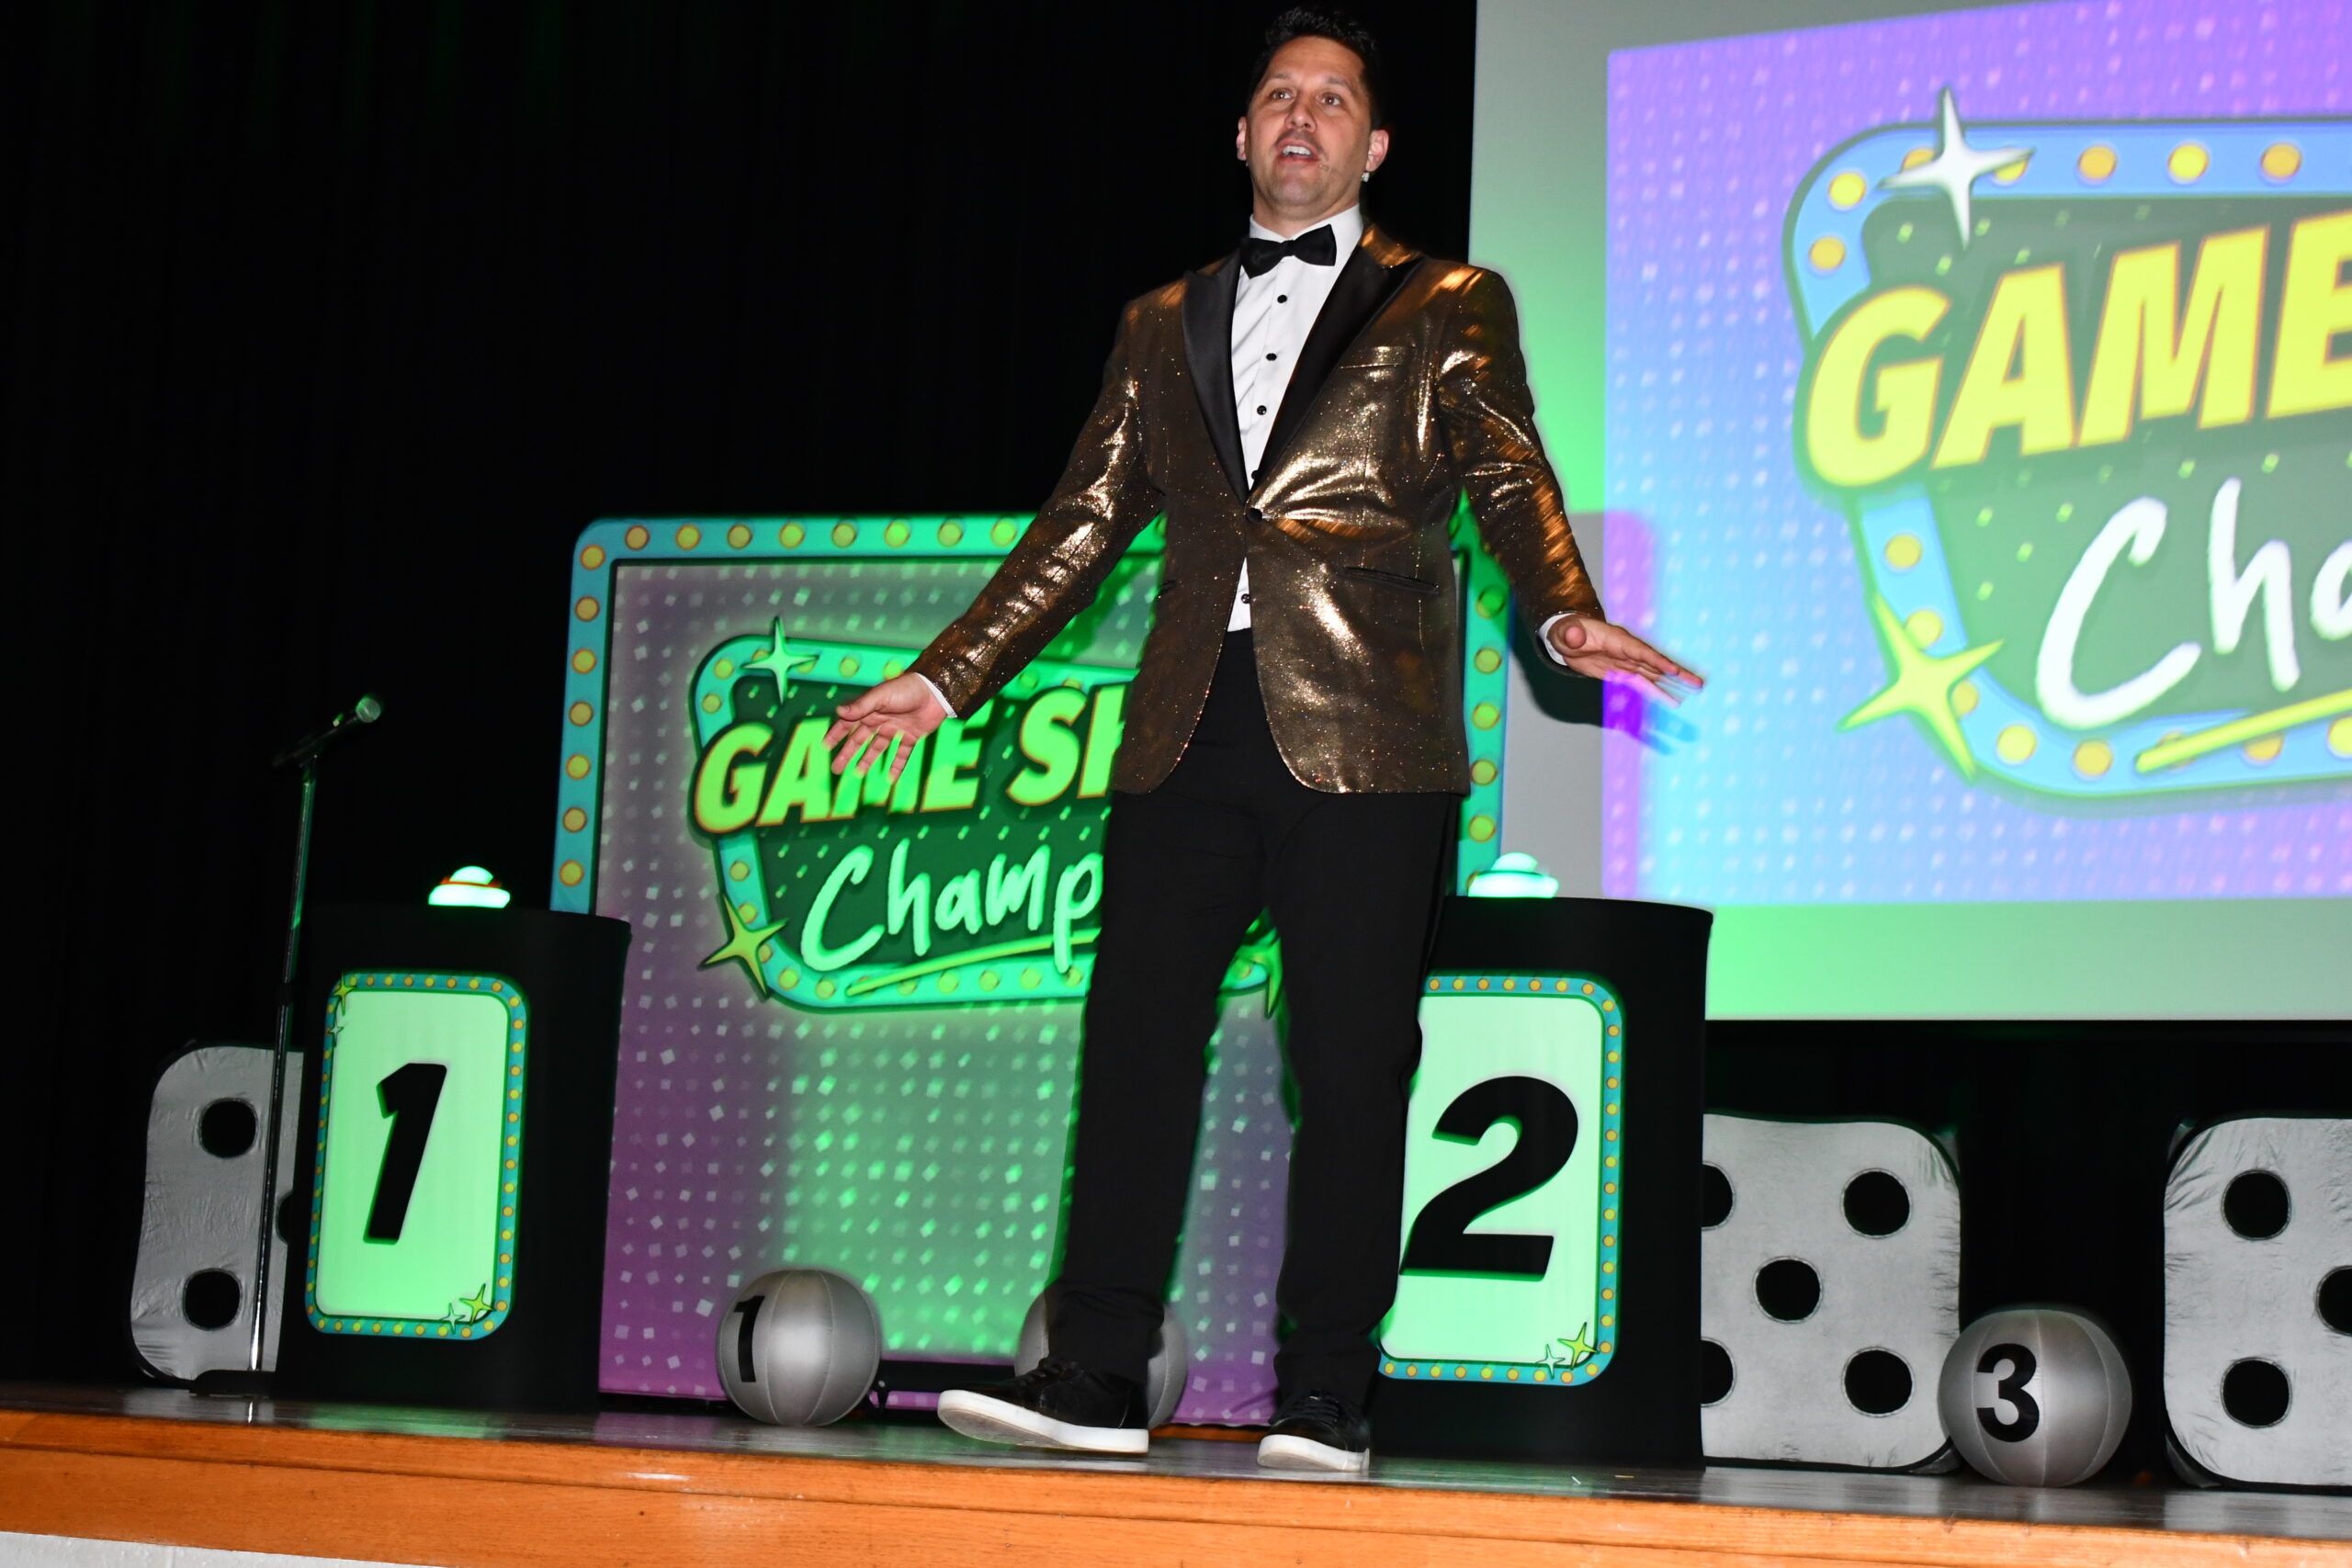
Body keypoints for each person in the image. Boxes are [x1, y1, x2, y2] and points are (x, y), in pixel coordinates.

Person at [822, 6, 1699, 1472]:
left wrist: (1562, 610)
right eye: (1280, 95)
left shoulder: (1447, 301)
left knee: (1350, 1068)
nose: (1304, 116)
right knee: (1134, 1050)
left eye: (1334, 99)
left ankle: (1327, 1394)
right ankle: (1095, 1378)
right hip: (1188, 728)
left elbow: (1504, 470)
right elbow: (1083, 519)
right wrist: (948, 678)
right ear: (1241, 134)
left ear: (1377, 144)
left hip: (1369, 734)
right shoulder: (1159, 320)